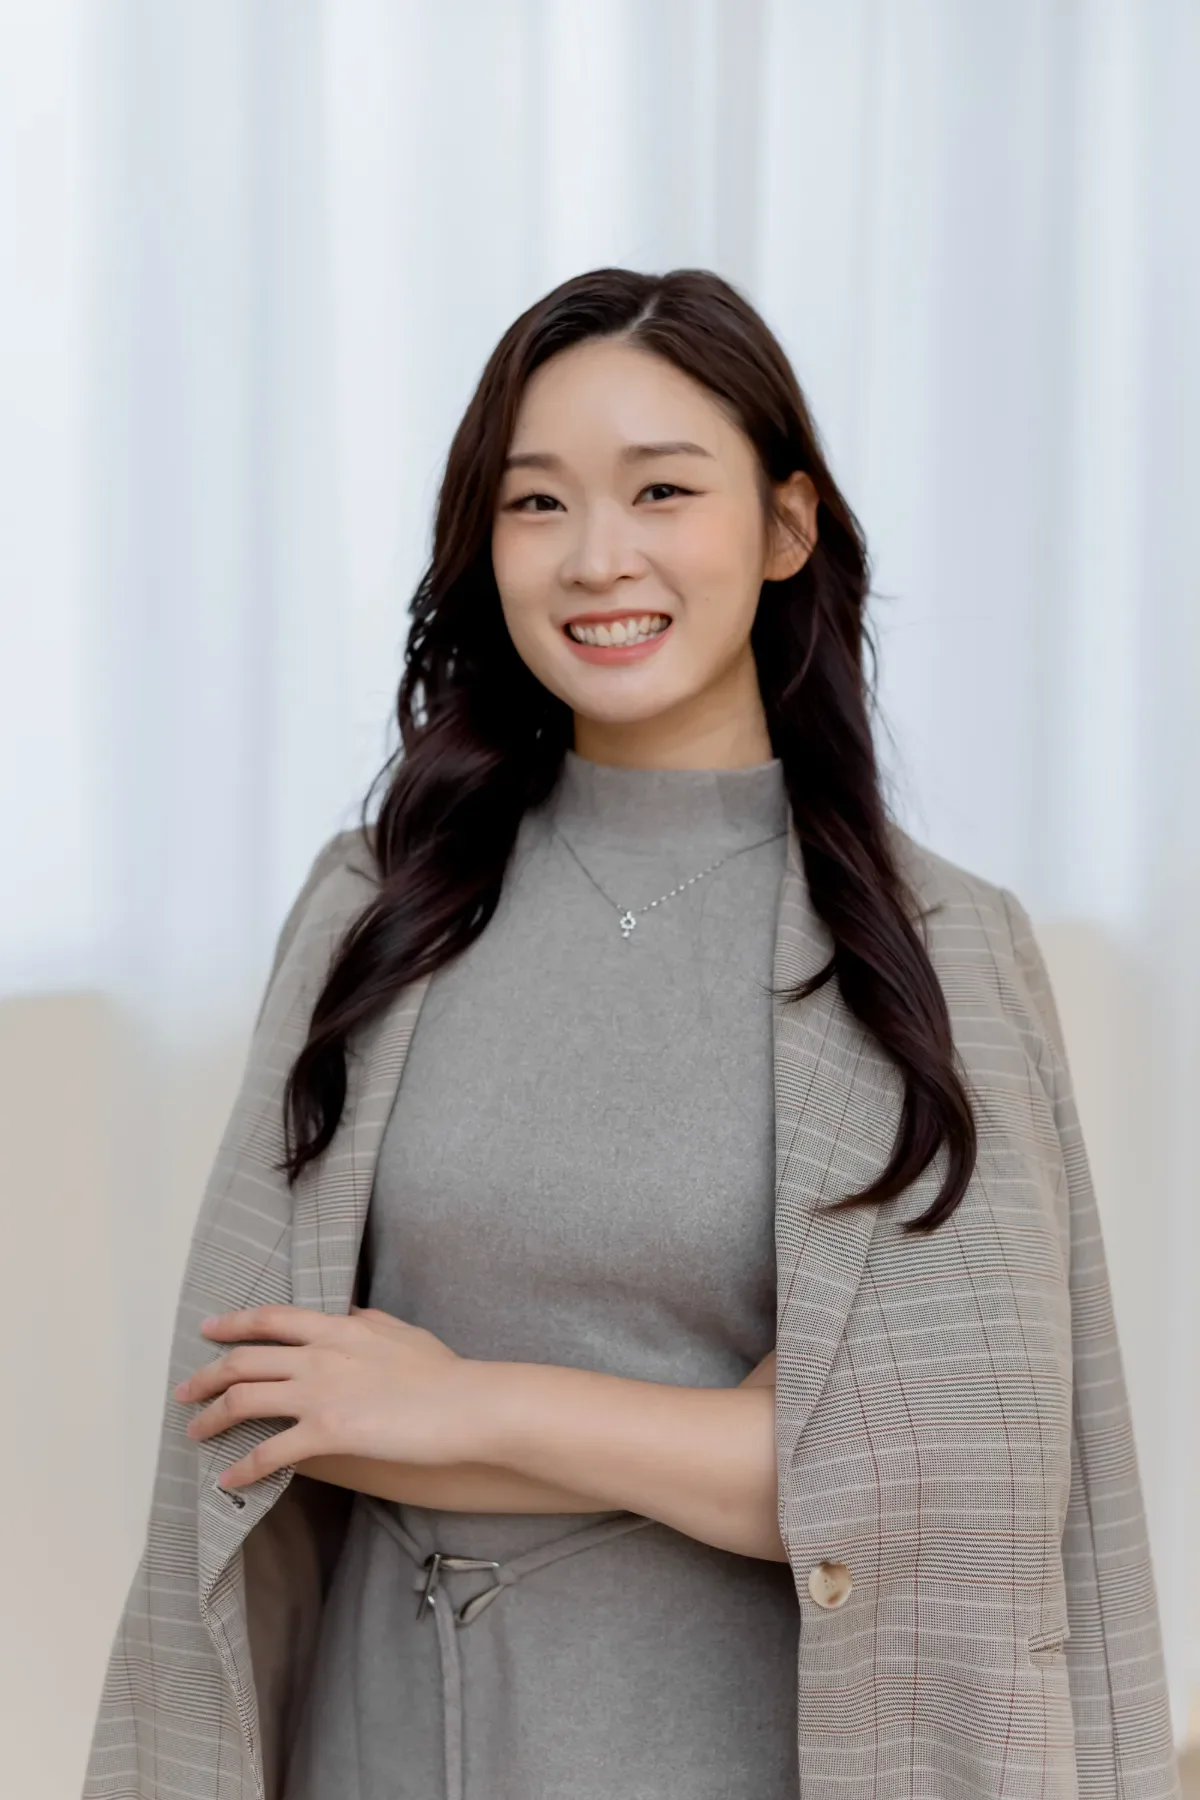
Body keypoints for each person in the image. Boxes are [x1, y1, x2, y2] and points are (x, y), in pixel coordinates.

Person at [82, 267, 1180, 1800]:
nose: (600, 558)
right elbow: (271, 1413)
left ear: (785, 527)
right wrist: (729, 1447)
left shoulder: (935, 948)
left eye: (663, 489)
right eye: (537, 505)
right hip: (380, 1740)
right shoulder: (375, 908)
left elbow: (949, 1478)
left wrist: (464, 1401)